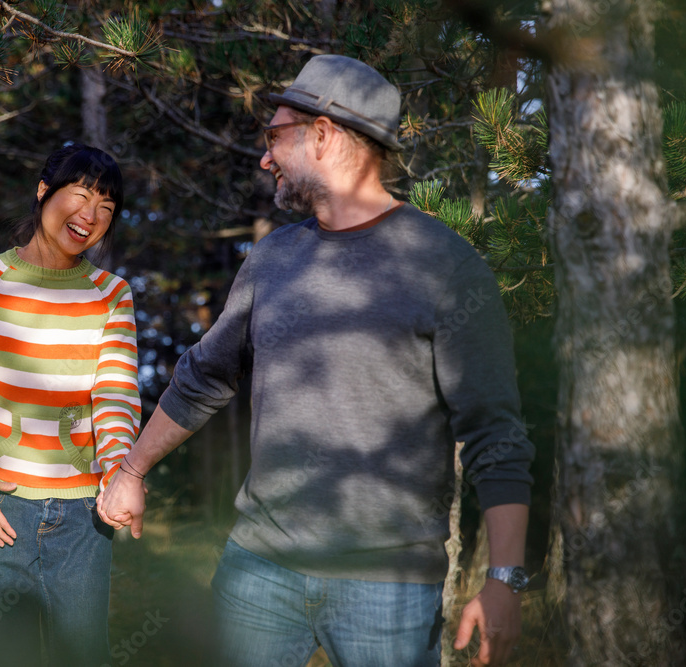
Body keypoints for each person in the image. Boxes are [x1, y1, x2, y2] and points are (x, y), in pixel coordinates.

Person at [97, 55, 534, 667]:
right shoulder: (273, 258)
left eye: (275, 136)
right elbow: (206, 376)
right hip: (260, 570)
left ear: (324, 135)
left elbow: (495, 435)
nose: (264, 156)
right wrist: (131, 471)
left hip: (389, 585)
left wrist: (504, 579)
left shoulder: (448, 268)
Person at [0, 143, 141, 667]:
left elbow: (115, 399)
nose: (91, 216)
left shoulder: (111, 294)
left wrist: (118, 474)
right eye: (81, 195)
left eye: (107, 208)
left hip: (83, 521)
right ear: (44, 190)